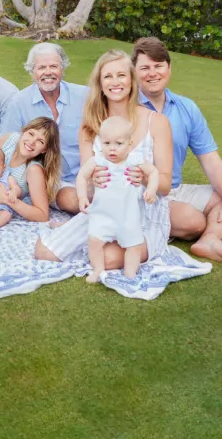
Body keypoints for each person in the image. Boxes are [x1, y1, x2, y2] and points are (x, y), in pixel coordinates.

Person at [35, 49, 173, 270]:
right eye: (108, 76)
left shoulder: (156, 122)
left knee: (108, 259)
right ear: (100, 84)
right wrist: (92, 182)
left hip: (143, 215)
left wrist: (145, 178)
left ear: (132, 80)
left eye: (121, 75)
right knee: (44, 252)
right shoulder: (89, 127)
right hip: (104, 209)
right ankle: (82, 234)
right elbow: (87, 184)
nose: (115, 82)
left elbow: (164, 186)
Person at [131, 37, 222, 261]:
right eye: (145, 68)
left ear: (169, 68)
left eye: (158, 66)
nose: (153, 73)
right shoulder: (127, 107)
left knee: (220, 197)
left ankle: (210, 239)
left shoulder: (186, 107)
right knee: (194, 221)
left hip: (175, 188)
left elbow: (211, 161)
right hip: (141, 192)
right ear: (134, 72)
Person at [1, 42, 89, 213]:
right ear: (32, 71)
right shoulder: (18, 103)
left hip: (89, 172)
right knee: (73, 200)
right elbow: (8, 149)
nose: (48, 72)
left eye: (53, 66)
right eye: (41, 67)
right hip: (52, 181)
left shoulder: (85, 96)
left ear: (62, 68)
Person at [76, 116, 159, 282]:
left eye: (118, 143)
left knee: (134, 246)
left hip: (128, 216)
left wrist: (151, 189)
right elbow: (82, 176)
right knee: (94, 241)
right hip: (102, 215)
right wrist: (82, 196)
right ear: (100, 142)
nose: (112, 149)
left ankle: (130, 273)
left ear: (130, 144)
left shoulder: (134, 160)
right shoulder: (98, 160)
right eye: (106, 143)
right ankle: (98, 270)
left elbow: (153, 172)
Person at [0, 117, 61, 223]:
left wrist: (5, 199)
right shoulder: (12, 139)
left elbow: (43, 215)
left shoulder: (33, 170)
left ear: (44, 149)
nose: (32, 142)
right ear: (24, 132)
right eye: (31, 134)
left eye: (40, 141)